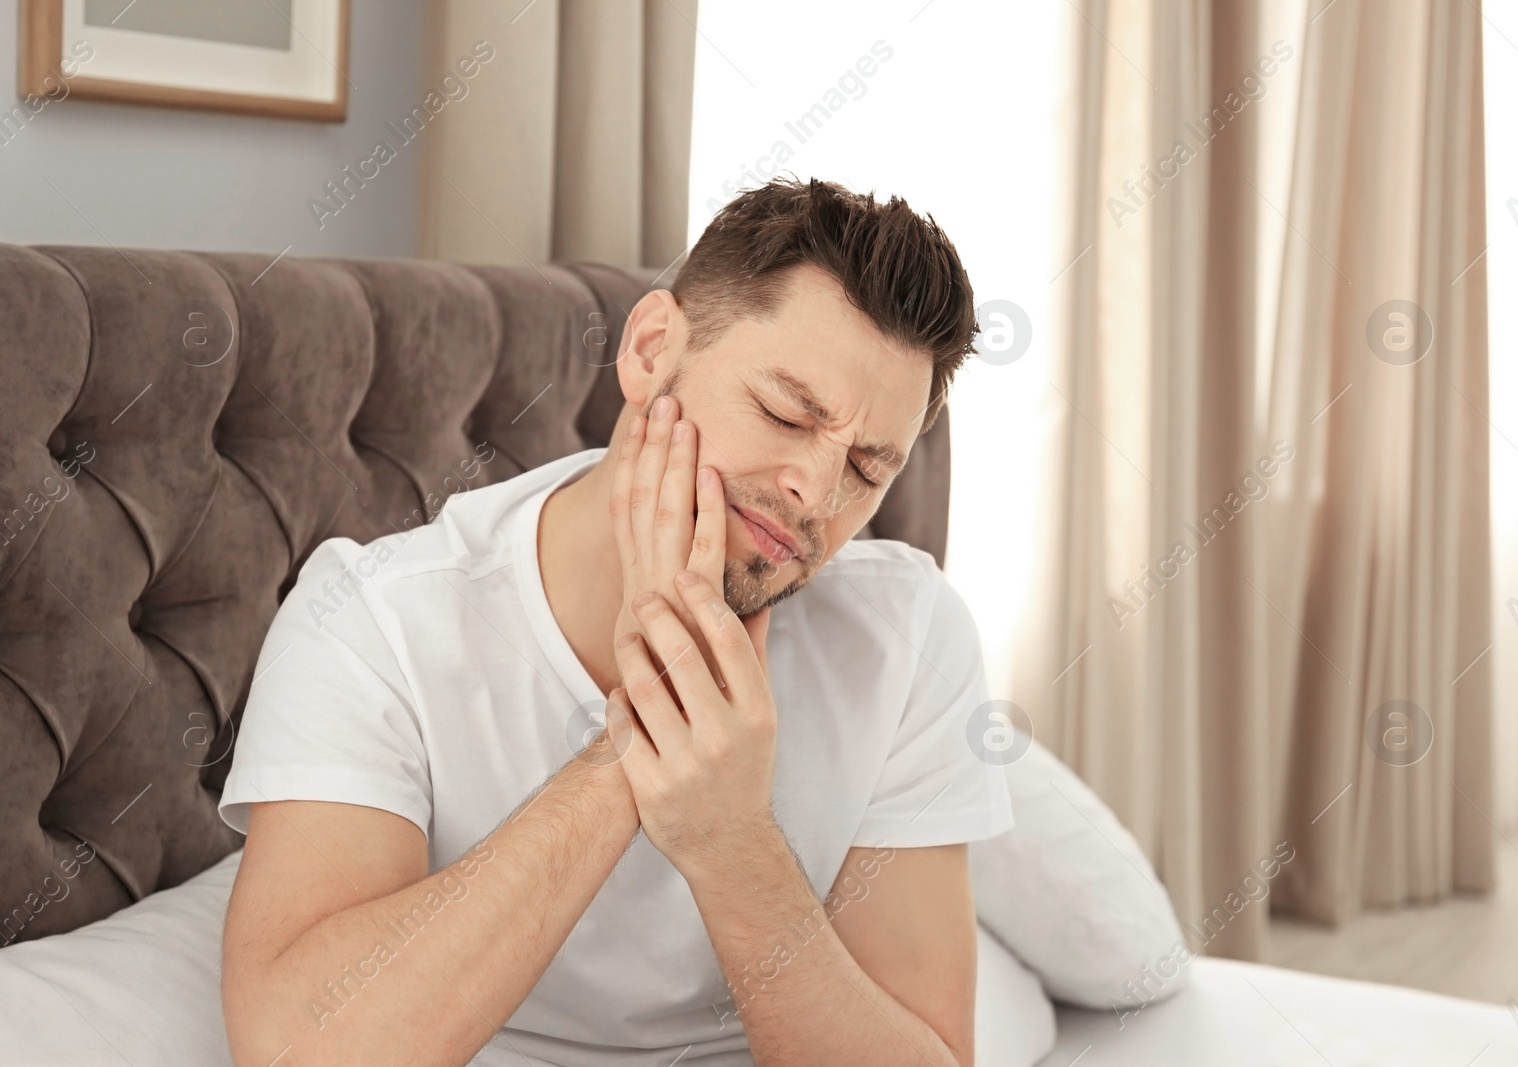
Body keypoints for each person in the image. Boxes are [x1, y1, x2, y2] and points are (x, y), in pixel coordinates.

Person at [217, 176, 1013, 1067]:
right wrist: (638, 748)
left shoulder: (908, 634)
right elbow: (299, 1051)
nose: (816, 496)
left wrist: (732, 840)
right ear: (649, 348)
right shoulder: (376, 625)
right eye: (787, 412)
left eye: (868, 471)